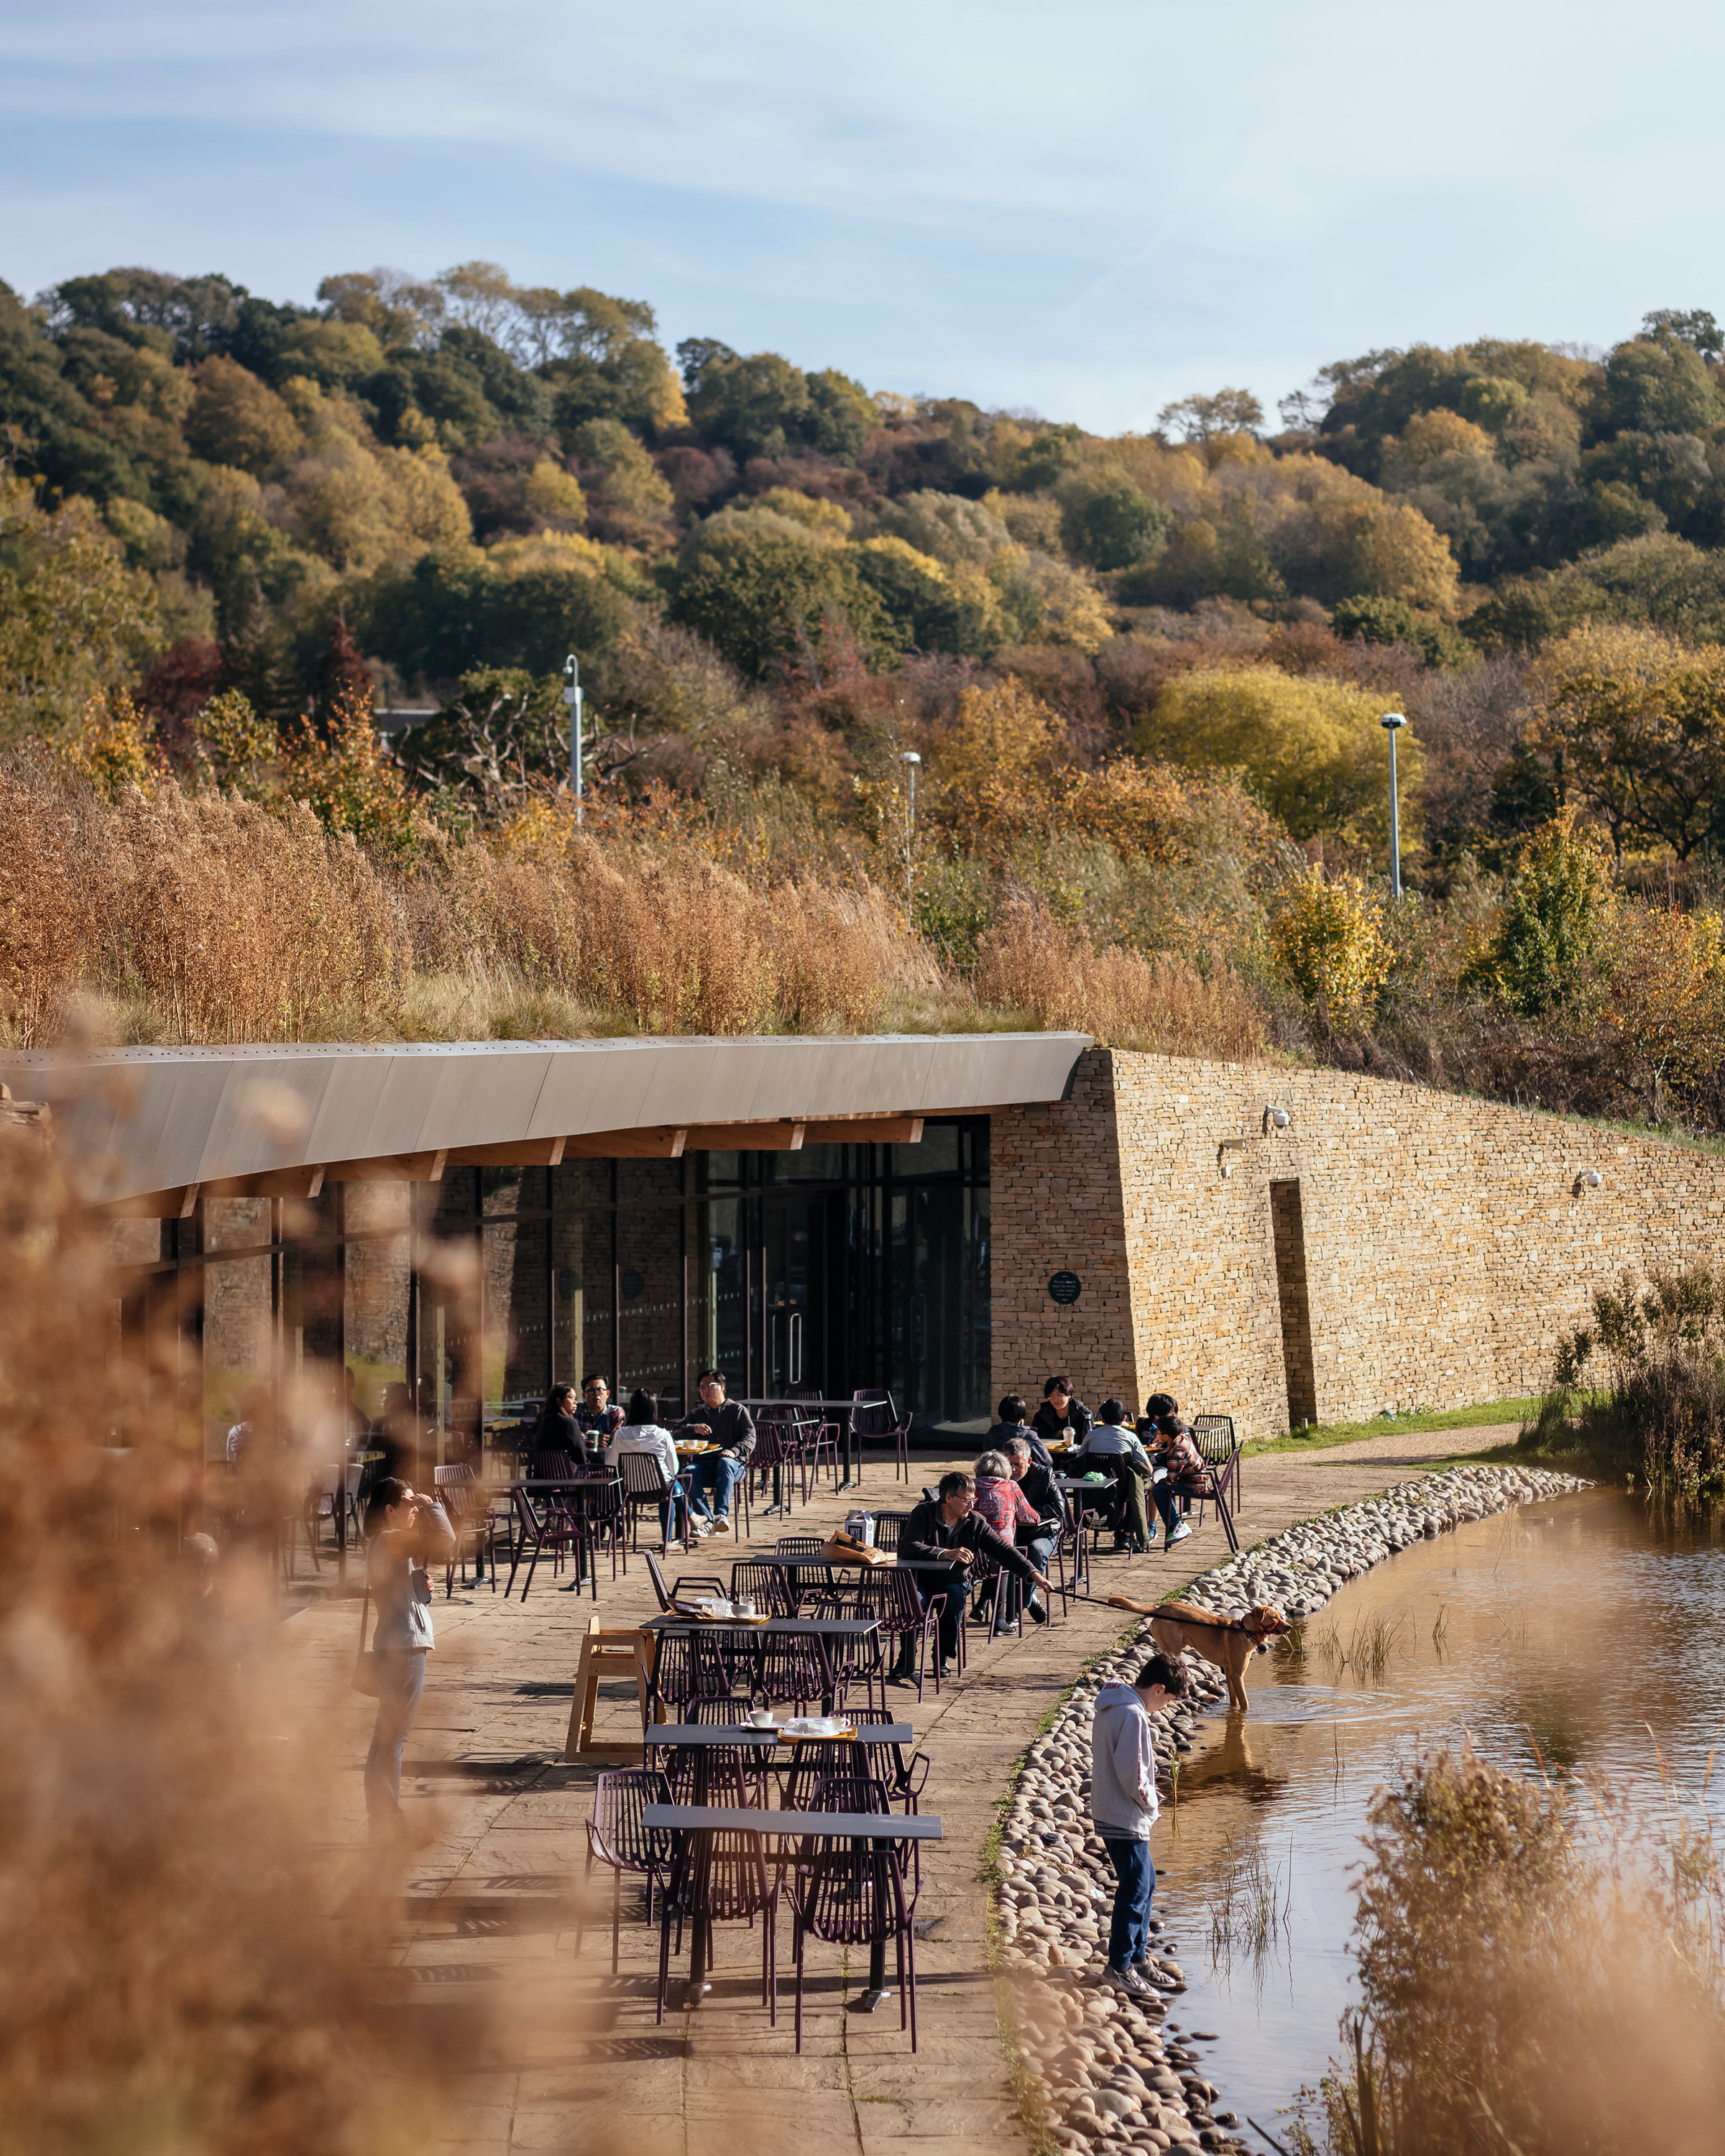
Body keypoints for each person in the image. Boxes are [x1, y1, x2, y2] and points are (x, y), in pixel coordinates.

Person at [362, 1476, 456, 1841]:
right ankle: (389, 1824)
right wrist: (433, 1503)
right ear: (389, 1510)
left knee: (385, 1737)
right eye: (408, 1502)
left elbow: (400, 1595)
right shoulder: (389, 1539)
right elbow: (445, 1539)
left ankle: (381, 1819)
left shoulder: (385, 1543)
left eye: (416, 1502)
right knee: (394, 1740)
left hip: (393, 1643)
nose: (415, 1506)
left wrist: (421, 1589)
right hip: (404, 1648)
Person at [1092, 1651, 1187, 1996]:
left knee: (1146, 1884)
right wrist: (1151, 1803)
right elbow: (1132, 1773)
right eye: (1169, 1701)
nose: (1165, 1708)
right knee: (1135, 1888)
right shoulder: (1132, 1715)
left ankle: (1138, 1957)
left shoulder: (1114, 1704)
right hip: (1125, 1814)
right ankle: (1119, 1965)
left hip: (1113, 1809)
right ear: (1159, 1689)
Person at [897, 1470, 1052, 1678]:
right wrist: (945, 1553)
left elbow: (1003, 1549)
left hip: (952, 1581)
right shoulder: (923, 1513)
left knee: (953, 1600)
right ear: (949, 1498)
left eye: (974, 1499)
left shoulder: (974, 1521)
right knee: (916, 1601)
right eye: (967, 1500)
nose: (972, 1505)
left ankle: (941, 1658)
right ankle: (906, 1660)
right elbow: (909, 1547)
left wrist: (1033, 1574)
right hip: (921, 1578)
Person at [971, 1449, 1050, 1628]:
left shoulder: (970, 1487)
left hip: (973, 1556)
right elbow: (1031, 1518)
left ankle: (981, 1605)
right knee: (1003, 1556)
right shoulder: (1011, 1487)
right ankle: (1000, 1620)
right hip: (1002, 1556)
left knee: (989, 1556)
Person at [605, 1388, 686, 1548]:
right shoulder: (663, 1434)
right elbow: (674, 1469)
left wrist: (610, 1446)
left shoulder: (620, 1434)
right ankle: (669, 1538)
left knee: (669, 1486)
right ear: (654, 1409)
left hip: (630, 1492)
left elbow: (611, 1466)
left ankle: (692, 1518)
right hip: (659, 1491)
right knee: (671, 1486)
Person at [678, 1370, 755, 1535]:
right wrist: (693, 1428)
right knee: (688, 1472)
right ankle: (706, 1520)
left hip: (733, 1466)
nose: (705, 1390)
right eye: (701, 1387)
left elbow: (750, 1437)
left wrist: (734, 1451)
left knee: (725, 1462)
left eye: (708, 1385)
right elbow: (674, 1432)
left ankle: (721, 1515)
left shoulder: (737, 1410)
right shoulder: (696, 1414)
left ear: (721, 1387)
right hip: (704, 1465)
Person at [1074, 1397, 1155, 1554]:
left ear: (1102, 1419)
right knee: (1139, 1490)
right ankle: (1126, 1533)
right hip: (1123, 1488)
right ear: (1124, 1419)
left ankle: (1120, 1531)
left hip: (1095, 1487)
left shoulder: (1091, 1436)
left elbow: (1080, 1459)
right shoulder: (1130, 1436)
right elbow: (1149, 1469)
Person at [1146, 1414, 1202, 1549]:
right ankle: (1175, 1526)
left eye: (1157, 1433)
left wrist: (1154, 1486)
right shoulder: (1181, 1438)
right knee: (1159, 1488)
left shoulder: (1177, 1451)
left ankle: (1178, 1525)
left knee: (1159, 1490)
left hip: (1195, 1484)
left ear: (1166, 1436)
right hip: (1194, 1479)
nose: (1155, 1436)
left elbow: (1170, 1481)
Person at [1031, 1375, 1092, 1456]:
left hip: (1076, 1460)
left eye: (1059, 1395)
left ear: (1069, 1395)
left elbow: (1090, 1444)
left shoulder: (1084, 1415)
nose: (1055, 1400)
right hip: (1049, 1460)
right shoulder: (1041, 1416)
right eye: (1051, 1396)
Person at [985, 1393, 1050, 1469]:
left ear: (1000, 1415)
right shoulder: (1029, 1435)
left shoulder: (992, 1433)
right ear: (1022, 1418)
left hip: (997, 1475)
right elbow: (1047, 1461)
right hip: (1023, 1478)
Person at [529, 1383, 587, 1463]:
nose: (576, 1402)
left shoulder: (541, 1420)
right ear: (559, 1400)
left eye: (576, 1398)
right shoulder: (569, 1423)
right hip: (566, 1474)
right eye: (571, 1398)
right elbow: (581, 1458)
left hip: (541, 1474)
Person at [574, 1373, 625, 1450]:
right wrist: (595, 1439)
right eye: (591, 1390)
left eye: (600, 1390)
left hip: (607, 1458)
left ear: (607, 1394)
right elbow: (573, 1434)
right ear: (584, 1396)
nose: (596, 1394)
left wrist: (584, 1436)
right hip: (582, 1459)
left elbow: (616, 1438)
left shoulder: (615, 1412)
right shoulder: (577, 1410)